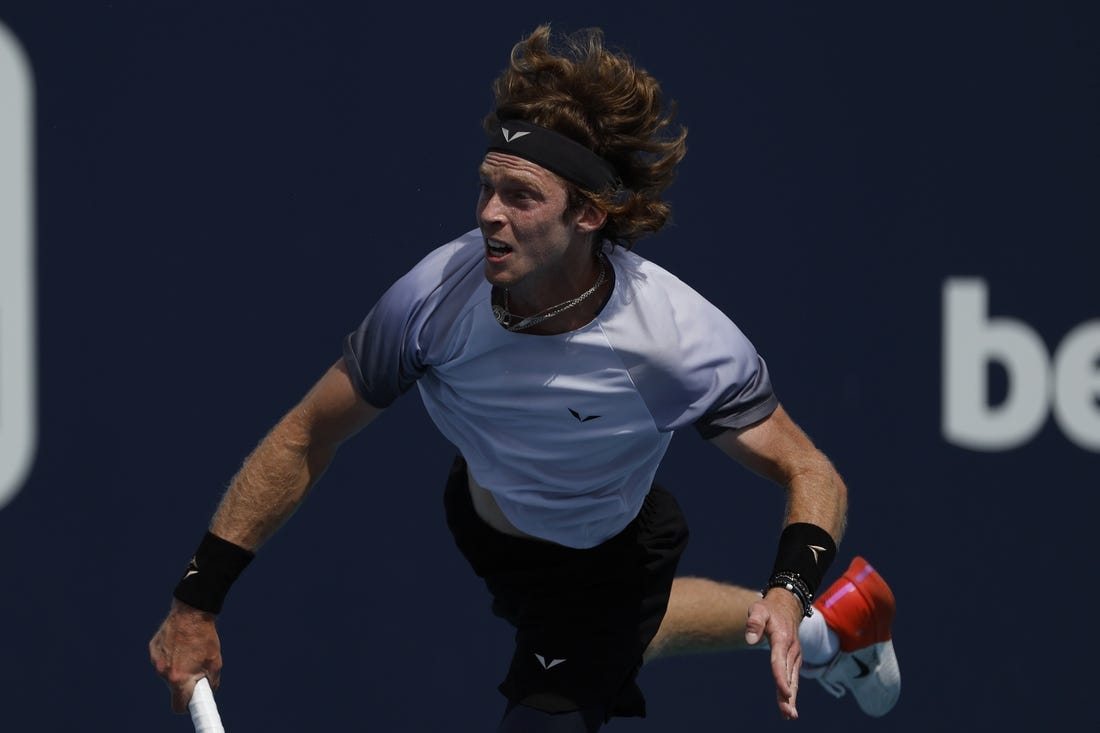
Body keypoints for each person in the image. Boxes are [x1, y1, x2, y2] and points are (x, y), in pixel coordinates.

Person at [149, 24, 900, 731]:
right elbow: (306, 435)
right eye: (486, 187)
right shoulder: (432, 303)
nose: (489, 216)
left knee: (562, 685)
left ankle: (805, 616)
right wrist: (197, 600)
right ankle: (831, 630)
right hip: (488, 523)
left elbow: (810, 470)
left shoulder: (671, 342)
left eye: (521, 196)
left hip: (610, 554)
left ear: (590, 214)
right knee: (627, 627)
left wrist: (786, 583)